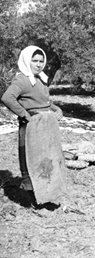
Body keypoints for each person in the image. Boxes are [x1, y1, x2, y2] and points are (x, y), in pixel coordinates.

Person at [1, 45, 64, 207]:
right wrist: (26, 115)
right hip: (31, 127)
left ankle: (45, 196)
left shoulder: (40, 79)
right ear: (25, 61)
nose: (38, 64)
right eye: (34, 61)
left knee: (46, 160)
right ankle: (34, 202)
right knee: (30, 161)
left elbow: (46, 103)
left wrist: (57, 109)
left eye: (41, 61)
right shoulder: (22, 79)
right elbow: (8, 98)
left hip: (46, 127)